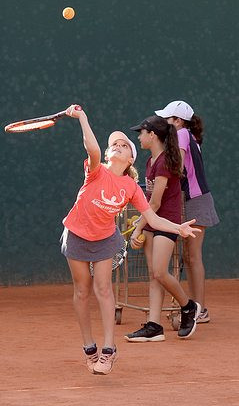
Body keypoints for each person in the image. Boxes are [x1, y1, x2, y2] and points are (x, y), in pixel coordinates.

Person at [60, 106, 199, 375]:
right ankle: (89, 345)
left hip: (103, 239)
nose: (119, 146)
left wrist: (177, 227)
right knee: (81, 291)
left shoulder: (131, 187)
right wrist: (83, 119)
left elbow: (153, 218)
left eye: (124, 145)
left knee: (103, 290)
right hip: (76, 234)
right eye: (114, 144)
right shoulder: (96, 170)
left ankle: (109, 349)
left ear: (130, 159)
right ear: (108, 153)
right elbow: (92, 149)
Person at [127, 116, 202, 342]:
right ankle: (154, 325)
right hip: (152, 221)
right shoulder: (150, 162)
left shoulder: (164, 163)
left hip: (166, 221)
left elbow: (155, 203)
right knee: (154, 275)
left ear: (152, 135)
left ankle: (188, 306)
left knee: (160, 272)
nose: (139, 138)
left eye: (141, 133)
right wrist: (142, 224)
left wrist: (137, 228)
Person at [155, 100, 219, 324]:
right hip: (189, 200)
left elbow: (178, 166)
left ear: (178, 121)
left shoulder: (182, 134)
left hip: (195, 201)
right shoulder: (187, 135)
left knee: (192, 256)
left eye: (167, 118)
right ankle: (195, 306)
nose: (164, 122)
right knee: (188, 257)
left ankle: (199, 309)